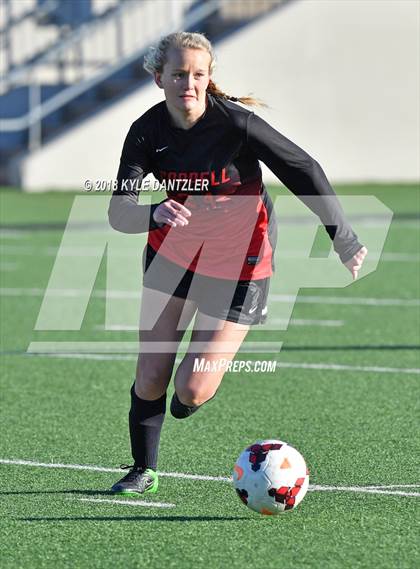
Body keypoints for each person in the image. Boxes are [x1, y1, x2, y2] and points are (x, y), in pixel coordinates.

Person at [108, 31, 368, 495]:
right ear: (159, 78)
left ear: (209, 79)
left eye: (199, 75)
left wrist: (342, 237)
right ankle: (142, 468)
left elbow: (302, 168)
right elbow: (119, 211)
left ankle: (196, 387)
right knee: (150, 376)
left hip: (240, 261)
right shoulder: (146, 131)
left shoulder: (236, 124)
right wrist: (152, 211)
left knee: (190, 391)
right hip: (174, 253)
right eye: (179, 74)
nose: (189, 83)